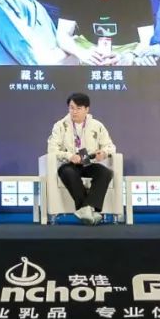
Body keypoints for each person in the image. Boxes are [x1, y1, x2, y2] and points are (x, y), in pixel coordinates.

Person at [46, 92, 116, 225]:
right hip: (69, 163)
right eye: (71, 108)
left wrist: (104, 153)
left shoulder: (97, 126)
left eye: (78, 108)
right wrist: (69, 156)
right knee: (68, 172)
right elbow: (52, 149)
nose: (74, 111)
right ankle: (89, 211)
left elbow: (110, 146)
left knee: (105, 172)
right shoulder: (60, 125)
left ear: (86, 109)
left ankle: (87, 209)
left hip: (89, 162)